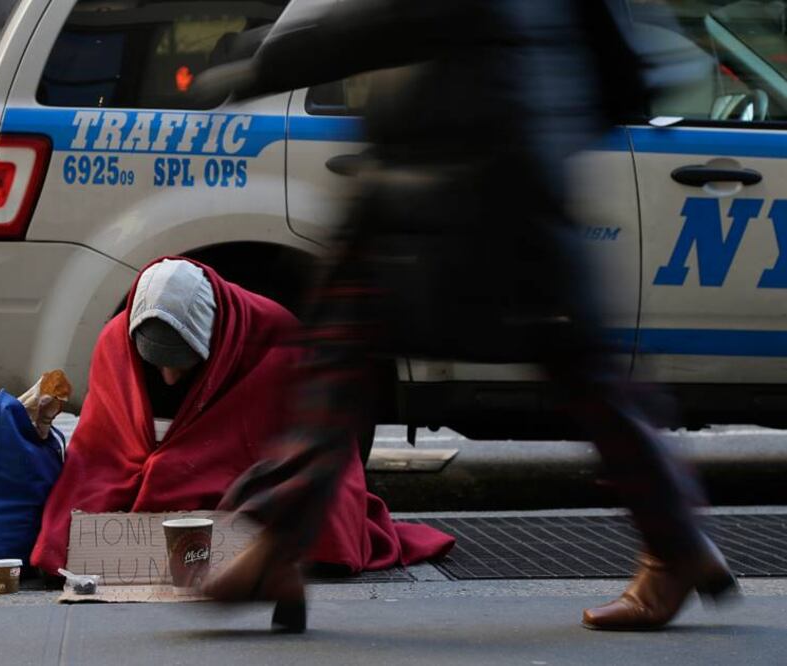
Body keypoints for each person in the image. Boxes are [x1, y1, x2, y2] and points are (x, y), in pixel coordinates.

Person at [196, 0, 738, 634]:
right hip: (508, 158)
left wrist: (261, 61)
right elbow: (621, 65)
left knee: (338, 352)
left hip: (455, 169)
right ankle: (677, 541)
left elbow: (394, 21)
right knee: (578, 368)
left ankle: (274, 540)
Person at [29, 258, 455, 587]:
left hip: (244, 489)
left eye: (184, 364)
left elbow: (315, 452)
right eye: (156, 366)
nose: (170, 379)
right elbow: (101, 454)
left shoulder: (275, 339)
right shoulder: (115, 344)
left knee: (305, 524)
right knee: (68, 534)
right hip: (186, 507)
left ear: (214, 339)